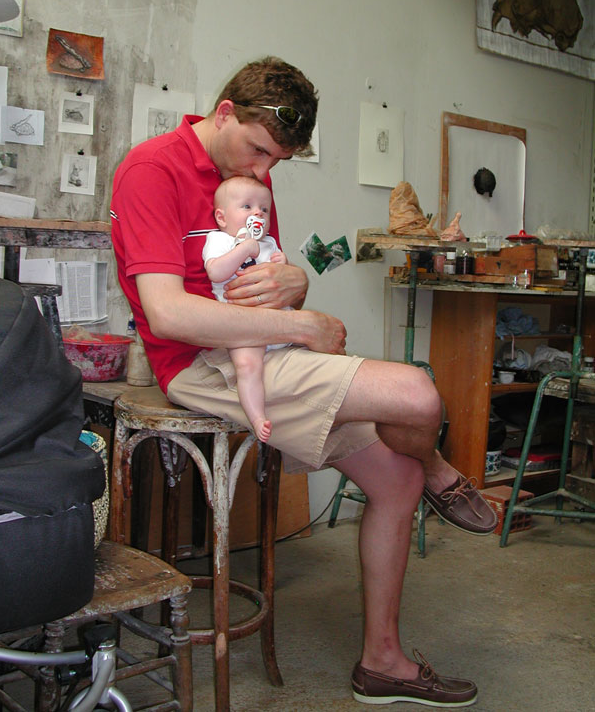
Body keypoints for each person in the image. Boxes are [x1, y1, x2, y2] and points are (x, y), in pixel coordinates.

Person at [111, 55, 497, 707]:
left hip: (264, 347)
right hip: (204, 363)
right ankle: (438, 467)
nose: (265, 170)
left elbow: (268, 280)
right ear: (225, 112)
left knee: (395, 479)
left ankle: (382, 662)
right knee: (417, 394)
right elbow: (168, 313)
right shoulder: (152, 168)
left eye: (278, 161)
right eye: (260, 150)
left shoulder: (248, 178)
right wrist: (303, 325)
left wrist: (298, 283)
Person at [203, 174, 290, 442]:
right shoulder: (219, 240)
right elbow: (216, 272)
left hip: (275, 319)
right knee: (248, 365)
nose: (258, 213)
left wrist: (283, 264)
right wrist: (243, 249)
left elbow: (280, 283)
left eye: (264, 209)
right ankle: (257, 416)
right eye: (247, 207)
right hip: (240, 324)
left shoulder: (269, 244)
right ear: (222, 218)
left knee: (307, 346)